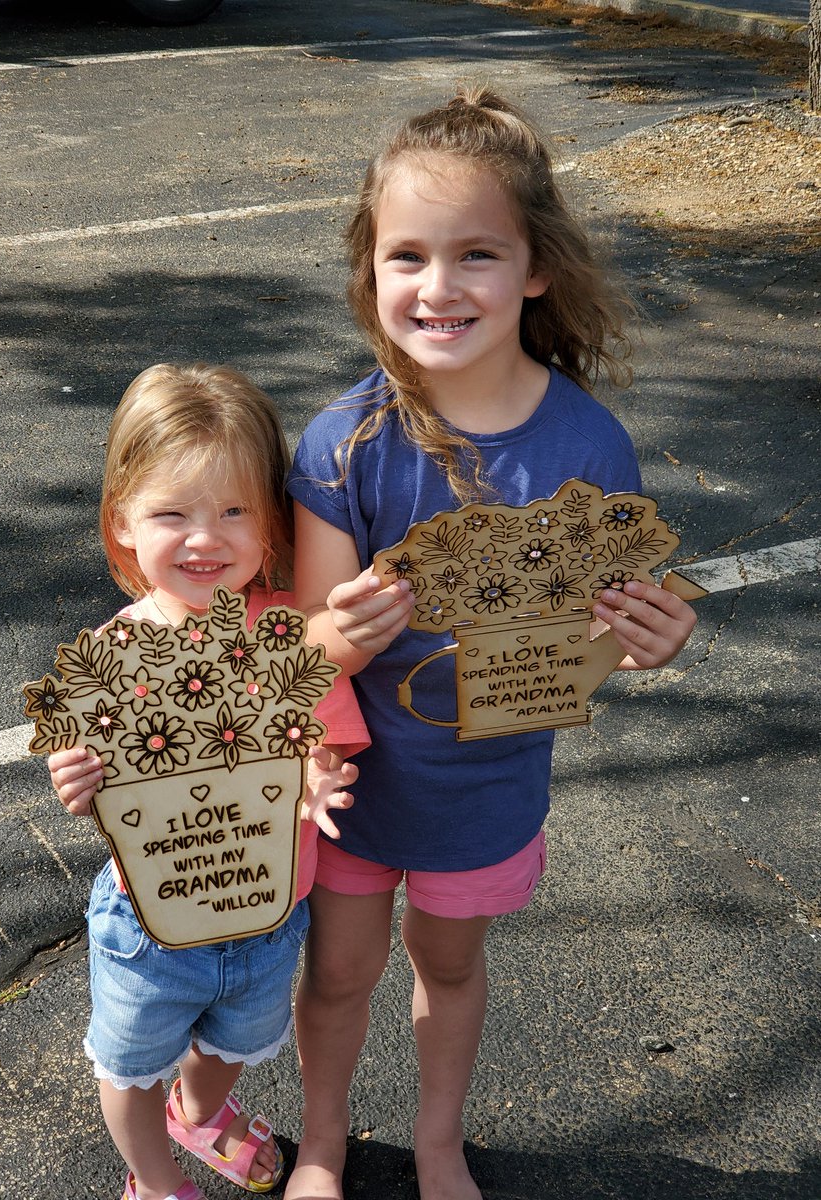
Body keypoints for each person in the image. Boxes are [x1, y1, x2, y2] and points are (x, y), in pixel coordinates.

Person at [284, 88, 698, 1200]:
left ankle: (434, 1141)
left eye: (476, 253)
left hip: (492, 788)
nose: (437, 285)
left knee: (450, 967)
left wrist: (650, 633)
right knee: (338, 974)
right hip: (360, 785)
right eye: (406, 254)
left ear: (536, 269)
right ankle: (323, 1142)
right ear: (370, 269)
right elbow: (298, 649)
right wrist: (338, 633)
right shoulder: (345, 442)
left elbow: (606, 618)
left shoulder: (588, 445)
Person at [46, 363, 369, 1200]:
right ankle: (153, 1179)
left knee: (233, 1045)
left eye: (234, 511)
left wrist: (318, 778)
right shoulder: (113, 652)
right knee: (130, 1065)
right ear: (122, 521)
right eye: (172, 513)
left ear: (271, 523)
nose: (205, 538)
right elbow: (100, 782)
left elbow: (314, 739)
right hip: (151, 921)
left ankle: (200, 1113)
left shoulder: (295, 634)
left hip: (268, 914)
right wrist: (79, 778)